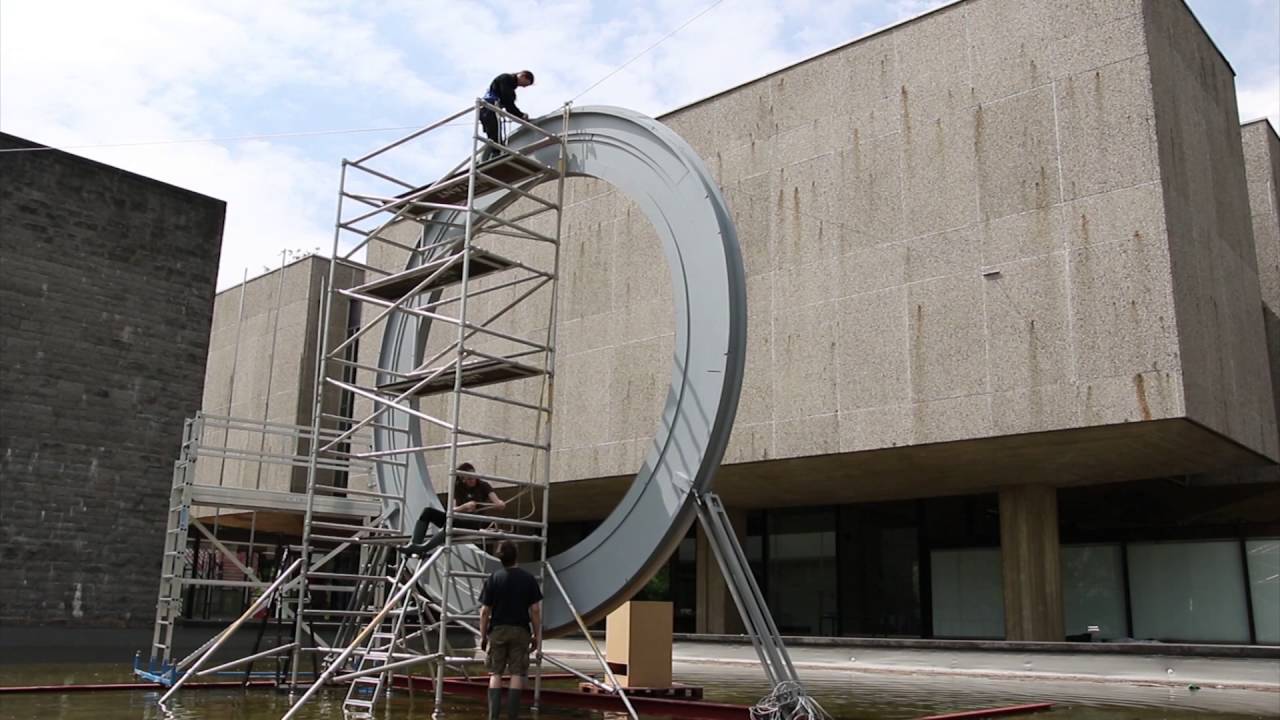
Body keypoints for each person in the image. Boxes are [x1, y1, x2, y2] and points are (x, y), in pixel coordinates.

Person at [479, 541, 543, 720]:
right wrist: (537, 635)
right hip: (521, 631)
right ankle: (512, 716)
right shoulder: (528, 579)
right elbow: (535, 610)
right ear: (516, 555)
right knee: (516, 673)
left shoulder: (494, 578)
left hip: (498, 630)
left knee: (496, 672)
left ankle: (493, 716)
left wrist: (483, 635)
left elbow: (484, 611)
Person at [405, 462, 506, 555]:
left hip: (474, 522)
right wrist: (464, 507)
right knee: (428, 512)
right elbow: (452, 509)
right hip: (458, 519)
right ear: (463, 480)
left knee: (451, 523)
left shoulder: (483, 485)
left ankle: (423, 548)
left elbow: (498, 503)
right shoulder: (457, 487)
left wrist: (500, 504)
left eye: (473, 477)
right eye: (468, 479)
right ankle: (414, 543)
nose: (472, 480)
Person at [480, 70, 535, 160]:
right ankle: (495, 156)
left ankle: (496, 154)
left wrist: (521, 117)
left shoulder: (510, 89)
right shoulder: (506, 79)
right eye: (526, 83)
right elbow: (508, 102)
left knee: (495, 134)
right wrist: (521, 115)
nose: (524, 87)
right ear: (522, 76)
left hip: (490, 110)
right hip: (488, 109)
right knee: (494, 133)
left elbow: (510, 108)